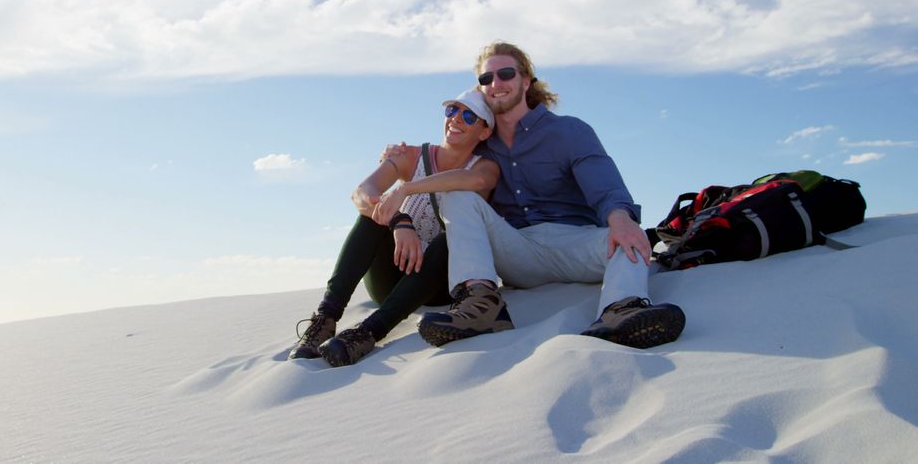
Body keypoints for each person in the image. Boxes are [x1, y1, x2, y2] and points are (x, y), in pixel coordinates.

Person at [382, 41, 685, 350]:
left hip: (575, 244)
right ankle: (481, 307)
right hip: (516, 251)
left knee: (630, 236)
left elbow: (606, 188)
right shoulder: (482, 147)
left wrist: (620, 219)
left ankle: (622, 312)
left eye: (506, 74)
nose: (496, 84)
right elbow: (443, 156)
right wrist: (397, 157)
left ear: (525, 81)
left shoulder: (569, 131)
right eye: (487, 79)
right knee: (459, 196)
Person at [289, 89, 500, 366]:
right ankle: (324, 320)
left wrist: (406, 190)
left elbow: (475, 182)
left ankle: (367, 333)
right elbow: (362, 192)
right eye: (452, 110)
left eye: (469, 116)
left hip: (436, 287)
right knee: (372, 214)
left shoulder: (485, 168)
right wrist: (400, 220)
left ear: (484, 133)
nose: (456, 119)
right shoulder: (410, 156)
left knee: (448, 239)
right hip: (391, 276)